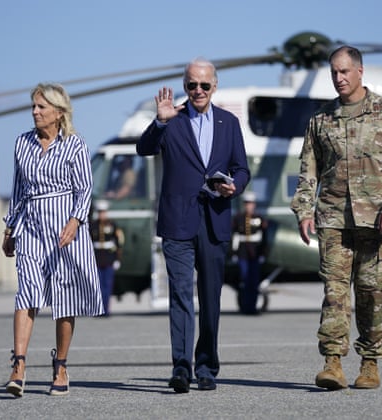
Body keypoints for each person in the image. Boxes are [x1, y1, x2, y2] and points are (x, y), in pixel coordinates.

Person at [290, 46, 382, 390]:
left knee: (370, 292)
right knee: (334, 293)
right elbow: (308, 173)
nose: (339, 78)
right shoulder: (320, 120)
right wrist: (304, 211)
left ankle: (370, 363)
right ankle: (332, 362)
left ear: (360, 71)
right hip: (333, 220)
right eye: (333, 72)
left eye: (344, 71)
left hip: (376, 222)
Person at [137, 57, 250, 393]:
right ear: (185, 86)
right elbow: (143, 149)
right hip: (177, 221)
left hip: (214, 220)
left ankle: (206, 366)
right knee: (181, 295)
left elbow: (242, 168)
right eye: (191, 84)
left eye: (204, 85)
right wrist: (159, 121)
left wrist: (234, 186)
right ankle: (182, 368)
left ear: (214, 87)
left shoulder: (229, 123)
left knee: (210, 298)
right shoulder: (170, 120)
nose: (197, 90)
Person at [1, 83, 104, 398]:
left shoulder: (74, 145)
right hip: (31, 227)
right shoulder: (22, 144)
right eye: (33, 107)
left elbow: (85, 190)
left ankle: (60, 364)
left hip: (64, 232)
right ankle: (18, 365)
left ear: (59, 113)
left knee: (64, 298)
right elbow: (18, 190)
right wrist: (9, 230)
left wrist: (75, 221)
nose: (35, 112)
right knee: (26, 294)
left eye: (41, 107)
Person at [231, 191, 269, 315]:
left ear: (254, 204)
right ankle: (245, 307)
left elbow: (264, 237)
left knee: (254, 281)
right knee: (244, 280)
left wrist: (263, 253)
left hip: (255, 253)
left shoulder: (259, 218)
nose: (249, 206)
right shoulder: (238, 218)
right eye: (247, 203)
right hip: (242, 253)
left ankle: (252, 307)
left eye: (251, 203)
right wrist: (234, 253)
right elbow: (234, 236)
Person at [90, 199, 124, 316]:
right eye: (100, 212)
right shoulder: (92, 225)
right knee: (98, 286)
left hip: (109, 259)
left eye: (103, 212)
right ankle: (99, 309)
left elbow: (119, 243)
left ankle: (106, 309)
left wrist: (117, 259)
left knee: (107, 285)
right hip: (97, 258)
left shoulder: (112, 224)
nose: (101, 214)